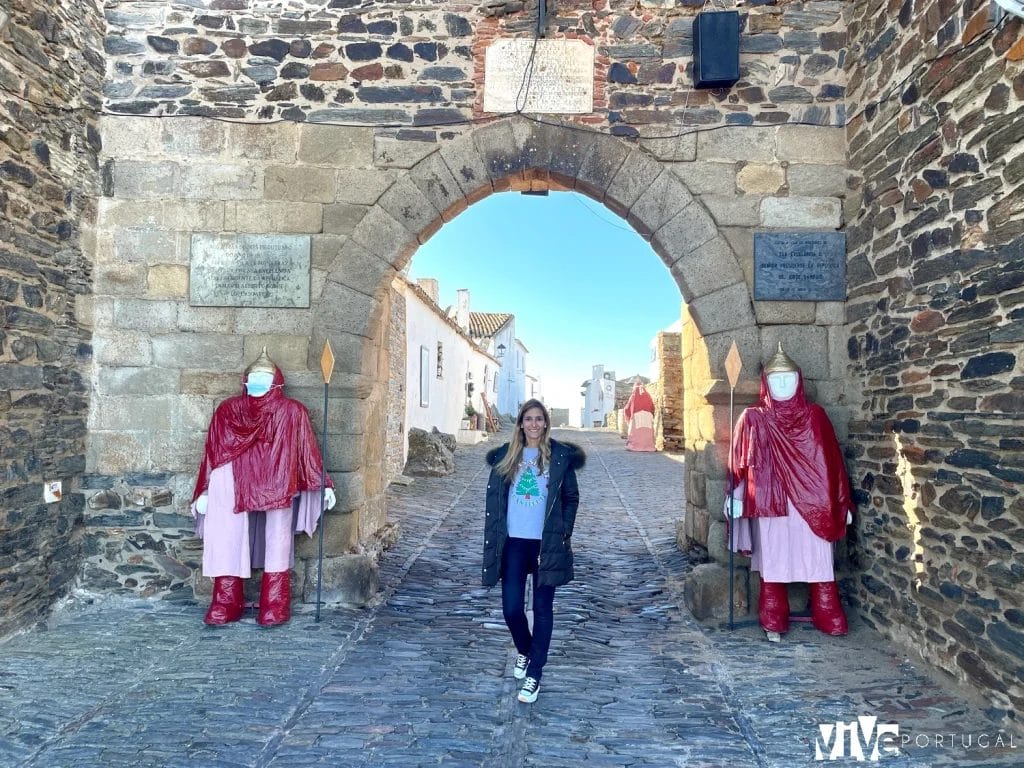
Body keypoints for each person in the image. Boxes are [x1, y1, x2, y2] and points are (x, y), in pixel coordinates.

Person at [191, 348, 336, 627]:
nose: (257, 382)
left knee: (278, 537)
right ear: (245, 380)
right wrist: (206, 490)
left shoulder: (292, 411)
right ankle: (226, 599)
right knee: (226, 533)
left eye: (263, 377)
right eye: (253, 377)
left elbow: (306, 449)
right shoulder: (228, 410)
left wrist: (322, 483)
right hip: (233, 476)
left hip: (277, 479)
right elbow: (213, 451)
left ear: (276, 382)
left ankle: (275, 601)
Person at [725, 343, 853, 641]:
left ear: (799, 381)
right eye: (775, 379)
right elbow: (740, 464)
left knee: (818, 557)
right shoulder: (752, 418)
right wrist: (735, 495)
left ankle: (828, 613)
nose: (782, 384)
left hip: (814, 501)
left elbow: (832, 464)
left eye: (788, 378)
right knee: (774, 556)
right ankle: (773, 616)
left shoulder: (816, 416)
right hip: (772, 501)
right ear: (765, 384)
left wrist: (841, 502)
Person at [482, 399, 585, 703]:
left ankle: (534, 674)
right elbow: (496, 502)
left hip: (545, 543)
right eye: (528, 419)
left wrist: (563, 531)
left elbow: (571, 498)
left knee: (542, 610)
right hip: (513, 542)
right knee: (511, 609)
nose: (534, 424)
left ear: (546, 423)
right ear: (521, 423)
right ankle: (526, 651)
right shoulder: (505, 457)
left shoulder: (560, 458)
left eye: (539, 419)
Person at [624, 377, 656, 452]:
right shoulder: (647, 395)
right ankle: (648, 446)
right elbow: (652, 406)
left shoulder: (634, 395)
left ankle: (635, 446)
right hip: (648, 416)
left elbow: (628, 407)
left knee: (636, 433)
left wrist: (627, 414)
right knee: (646, 432)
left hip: (636, 416)